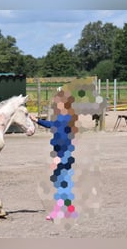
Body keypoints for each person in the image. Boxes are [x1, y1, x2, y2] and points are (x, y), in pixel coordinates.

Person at [30, 89, 79, 221]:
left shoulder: (65, 118)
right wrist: (37, 120)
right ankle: (68, 210)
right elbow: (52, 125)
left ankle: (58, 212)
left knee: (61, 183)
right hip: (65, 153)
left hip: (63, 154)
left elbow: (63, 138)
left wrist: (59, 156)